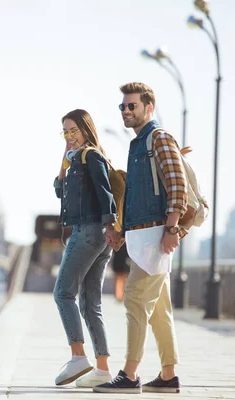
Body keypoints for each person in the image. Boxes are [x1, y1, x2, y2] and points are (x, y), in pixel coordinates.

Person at [95, 82, 187, 394]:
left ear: (148, 106)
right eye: (122, 106)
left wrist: (172, 228)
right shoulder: (138, 144)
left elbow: (177, 183)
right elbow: (135, 194)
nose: (125, 111)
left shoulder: (158, 137)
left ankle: (130, 374)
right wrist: (122, 229)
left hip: (155, 234)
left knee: (135, 300)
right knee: (159, 309)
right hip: (141, 235)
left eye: (131, 106)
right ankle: (168, 374)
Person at [52, 109, 118, 388]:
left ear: (85, 129)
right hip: (97, 235)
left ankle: (78, 356)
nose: (69, 137)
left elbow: (105, 193)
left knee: (62, 294)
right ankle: (102, 369)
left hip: (89, 231)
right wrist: (64, 164)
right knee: (90, 304)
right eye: (65, 132)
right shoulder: (75, 160)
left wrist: (111, 224)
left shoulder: (91, 156)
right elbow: (59, 190)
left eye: (73, 131)